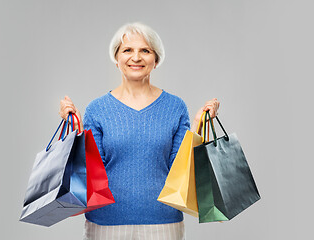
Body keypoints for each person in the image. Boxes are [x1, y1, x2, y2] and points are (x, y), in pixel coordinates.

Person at [59, 22, 220, 240]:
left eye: (145, 50)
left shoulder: (175, 107)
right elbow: (90, 171)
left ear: (156, 60)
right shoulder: (97, 109)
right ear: (117, 59)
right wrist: (75, 131)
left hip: (164, 224)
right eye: (127, 50)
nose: (136, 57)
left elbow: (180, 169)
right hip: (106, 225)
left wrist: (198, 124)